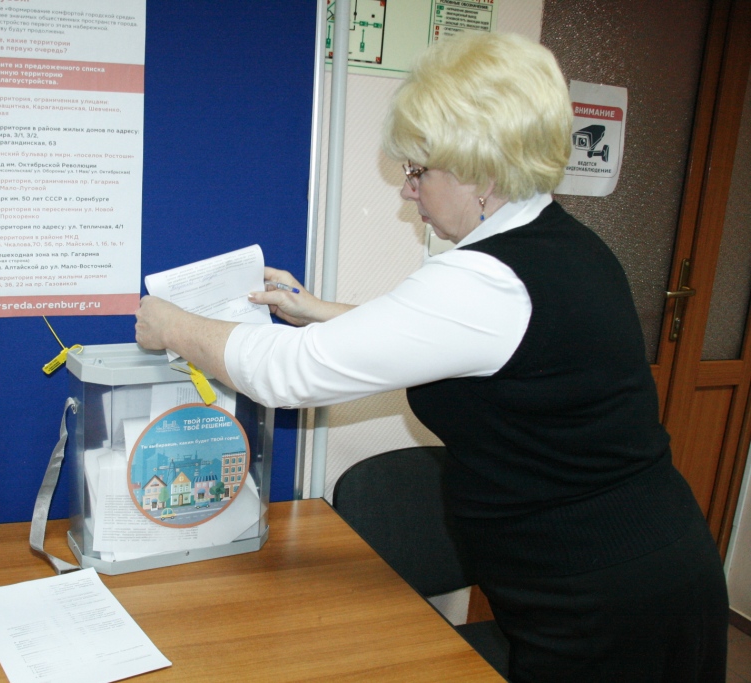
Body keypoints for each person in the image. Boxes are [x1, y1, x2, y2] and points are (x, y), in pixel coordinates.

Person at [135, 31, 728, 682]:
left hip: (604, 599)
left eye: (418, 170)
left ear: (481, 170)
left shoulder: (486, 281)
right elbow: (458, 341)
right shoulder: (559, 245)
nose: (408, 192)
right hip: (641, 561)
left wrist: (171, 325)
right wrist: (319, 310)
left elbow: (287, 372)